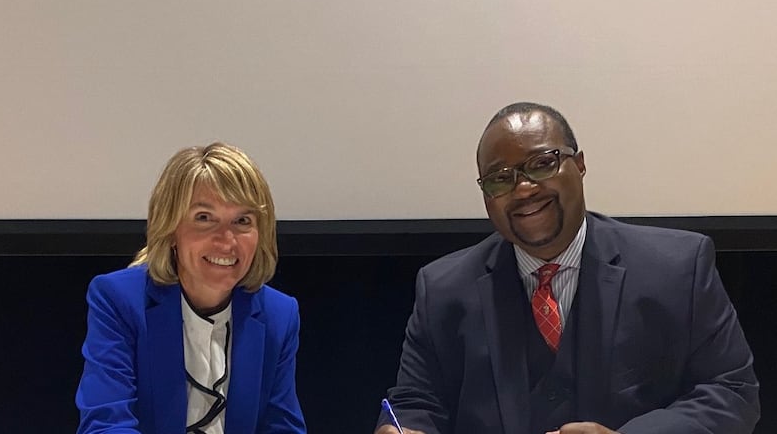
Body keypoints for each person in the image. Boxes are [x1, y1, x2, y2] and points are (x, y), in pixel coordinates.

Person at [375, 103, 760, 434]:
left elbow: (731, 392)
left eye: (542, 164)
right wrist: (402, 425)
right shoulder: (443, 288)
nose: (523, 188)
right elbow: (416, 401)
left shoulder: (677, 267)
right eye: (499, 178)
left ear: (579, 165)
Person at [75, 142, 306, 433]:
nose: (226, 240)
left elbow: (282, 427)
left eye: (242, 221)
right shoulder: (119, 300)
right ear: (171, 228)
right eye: (204, 218)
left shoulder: (279, 314)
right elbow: (107, 423)